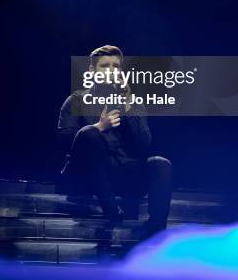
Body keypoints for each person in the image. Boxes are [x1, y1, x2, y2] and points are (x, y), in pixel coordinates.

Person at [57, 45, 172, 236]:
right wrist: (100, 128)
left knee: (160, 164)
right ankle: (111, 210)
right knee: (89, 132)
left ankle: (156, 228)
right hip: (86, 173)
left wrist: (127, 103)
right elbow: (64, 140)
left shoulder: (131, 102)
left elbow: (144, 142)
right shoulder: (76, 100)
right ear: (92, 71)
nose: (111, 70)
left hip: (119, 170)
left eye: (115, 66)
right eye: (105, 66)